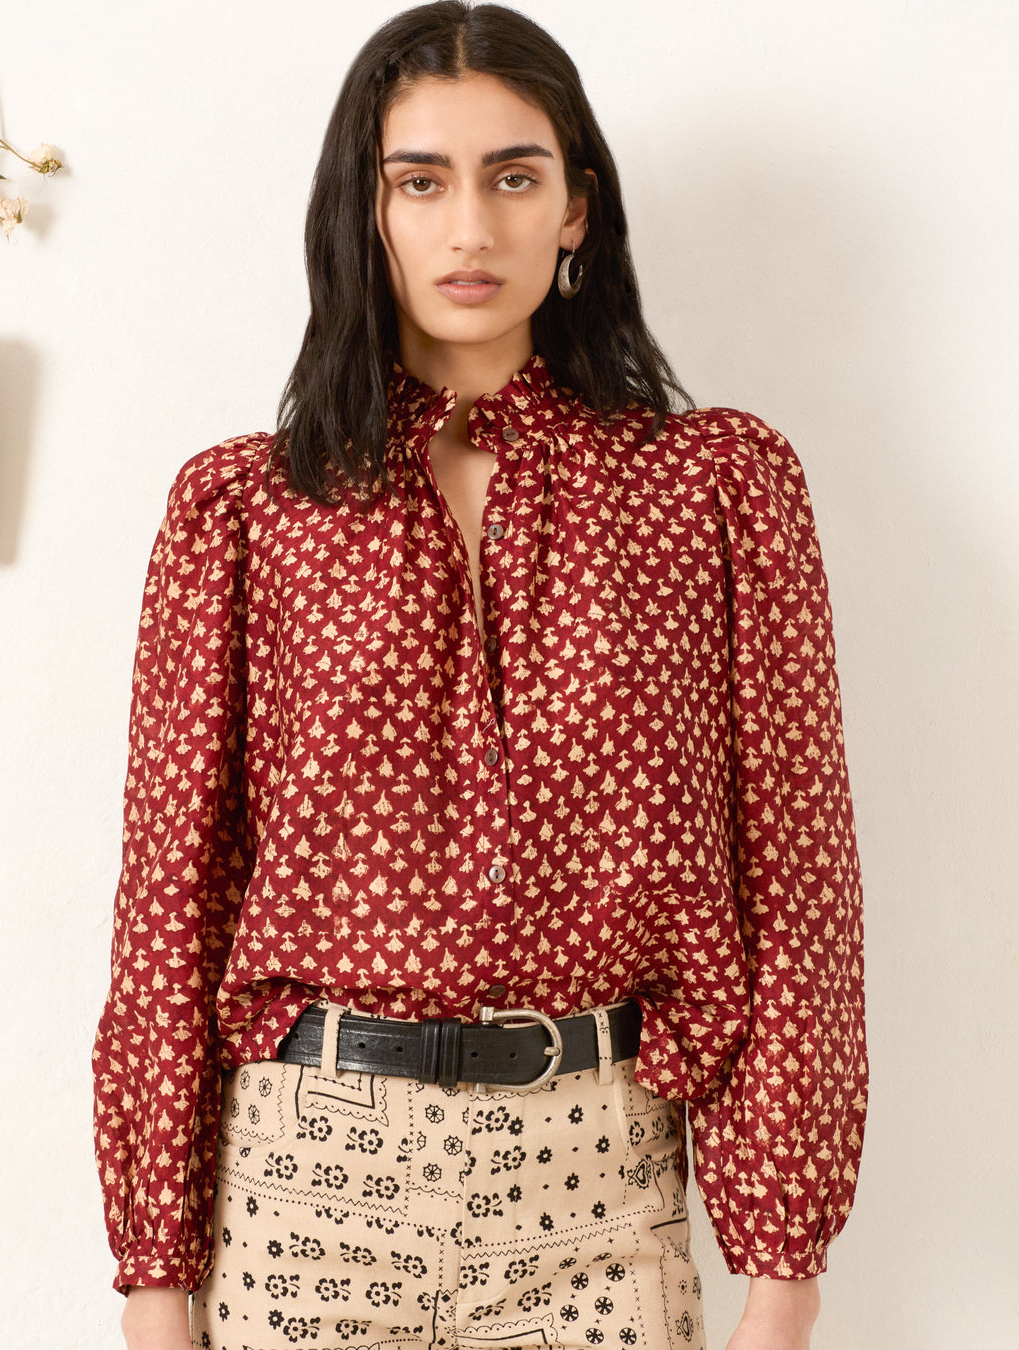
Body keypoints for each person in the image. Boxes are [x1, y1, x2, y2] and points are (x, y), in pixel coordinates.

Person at [93, 4, 867, 1349]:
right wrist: (156, 1274)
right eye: (421, 181)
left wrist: (782, 1268)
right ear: (367, 209)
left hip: (599, 1192)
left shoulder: (718, 490)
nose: (470, 229)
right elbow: (170, 904)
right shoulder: (244, 508)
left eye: (515, 176)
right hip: (302, 1202)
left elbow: (795, 878)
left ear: (577, 208)